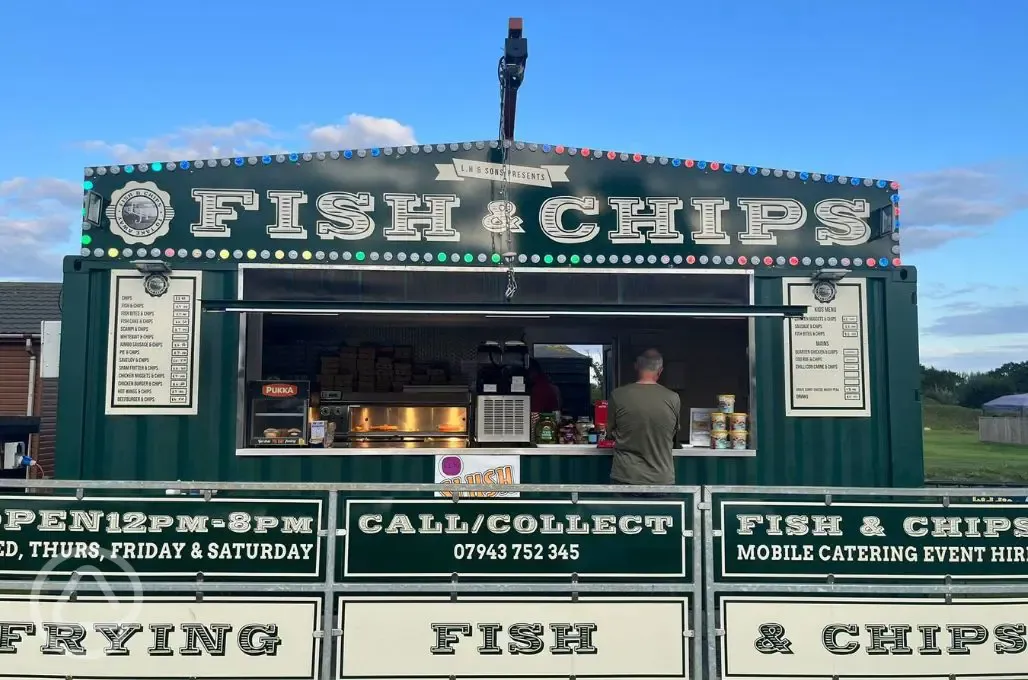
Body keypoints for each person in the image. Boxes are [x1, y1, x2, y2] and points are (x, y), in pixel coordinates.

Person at [607, 349, 681, 489]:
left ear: (636, 366)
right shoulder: (673, 398)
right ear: (660, 370)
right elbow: (672, 433)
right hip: (661, 478)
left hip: (626, 477)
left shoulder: (617, 395)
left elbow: (609, 433)